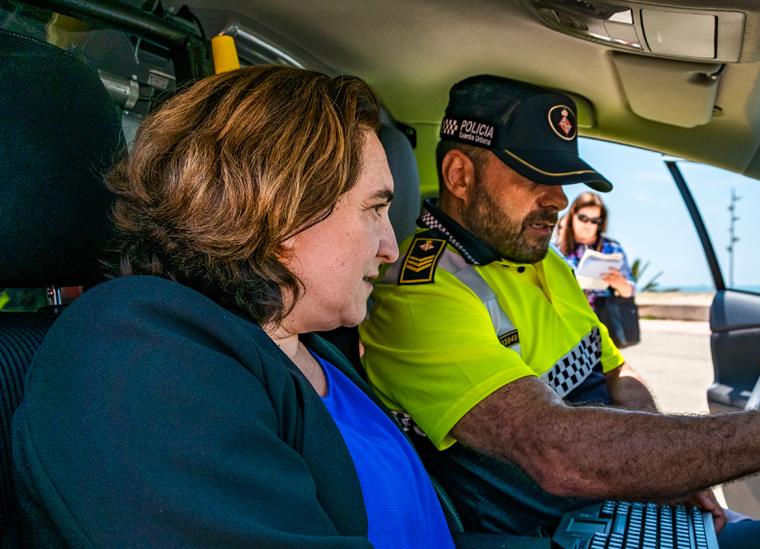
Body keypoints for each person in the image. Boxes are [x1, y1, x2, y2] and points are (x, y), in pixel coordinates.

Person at [358, 74, 760, 546]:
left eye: (564, 177)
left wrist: (674, 468)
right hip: (551, 533)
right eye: (533, 176)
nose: (559, 200)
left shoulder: (543, 261)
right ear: (460, 175)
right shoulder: (422, 294)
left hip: (615, 514)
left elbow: (617, 376)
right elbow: (555, 451)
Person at [11, 66, 456, 548]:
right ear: (283, 203)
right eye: (374, 208)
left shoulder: (312, 346)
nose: (391, 247)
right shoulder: (138, 352)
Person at [557, 191, 636, 309]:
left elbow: (630, 291)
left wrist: (620, 283)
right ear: (572, 215)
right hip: (567, 316)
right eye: (583, 218)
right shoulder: (556, 249)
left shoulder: (613, 248)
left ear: (600, 223)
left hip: (604, 319)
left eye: (594, 221)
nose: (588, 224)